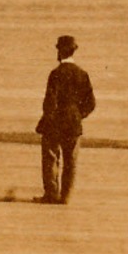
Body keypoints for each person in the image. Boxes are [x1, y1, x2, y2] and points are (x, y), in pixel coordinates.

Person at [37, 35, 96, 203]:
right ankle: (66, 197)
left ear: (60, 51)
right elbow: (91, 103)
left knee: (50, 158)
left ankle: (51, 194)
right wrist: (78, 115)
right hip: (73, 123)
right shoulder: (82, 74)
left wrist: (48, 118)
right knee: (71, 161)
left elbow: (50, 101)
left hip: (55, 122)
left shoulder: (55, 74)